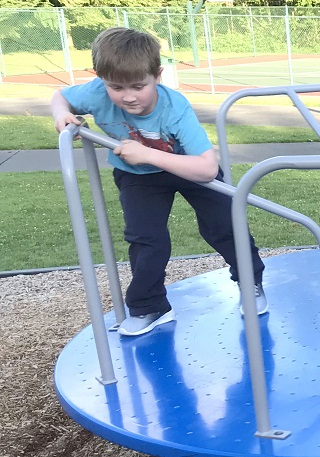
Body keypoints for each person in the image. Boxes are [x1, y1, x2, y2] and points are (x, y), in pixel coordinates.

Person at [51, 27, 267, 337]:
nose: (128, 96)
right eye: (116, 87)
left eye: (139, 86)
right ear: (100, 78)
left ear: (158, 75)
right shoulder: (97, 92)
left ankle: (251, 283)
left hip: (187, 168)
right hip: (138, 177)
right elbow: (60, 96)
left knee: (224, 226)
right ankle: (149, 306)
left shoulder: (174, 107)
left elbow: (207, 167)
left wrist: (148, 155)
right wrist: (61, 114)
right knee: (145, 238)